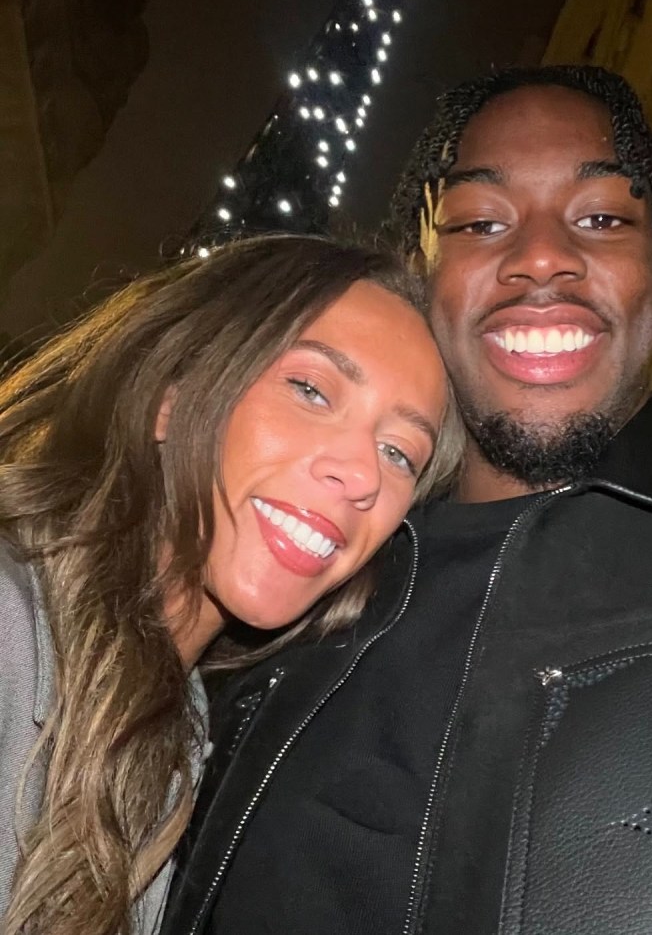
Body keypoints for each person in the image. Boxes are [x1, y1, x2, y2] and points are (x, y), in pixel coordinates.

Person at [162, 67, 652, 935]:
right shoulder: (286, 607)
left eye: (603, 218)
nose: (541, 256)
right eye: (479, 222)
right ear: (427, 281)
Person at [0, 234, 460, 935]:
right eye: (311, 390)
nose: (363, 476)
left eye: (400, 452)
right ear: (170, 394)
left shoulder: (182, 737)